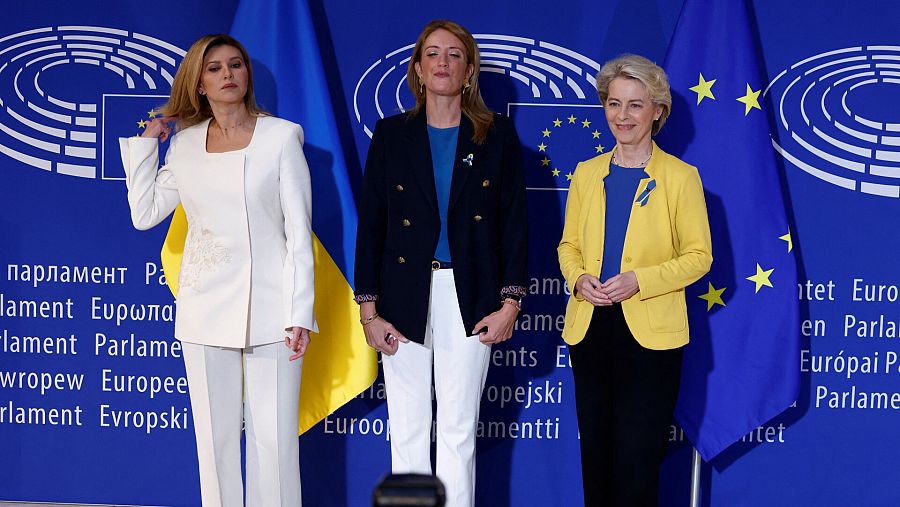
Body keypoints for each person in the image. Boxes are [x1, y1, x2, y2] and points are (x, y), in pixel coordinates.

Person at [119, 34, 316, 507]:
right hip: (204, 311)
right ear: (200, 83)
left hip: (273, 312)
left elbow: (298, 232)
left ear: (247, 76)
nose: (227, 75)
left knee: (275, 447)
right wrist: (149, 140)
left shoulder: (281, 137)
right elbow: (144, 213)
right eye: (214, 68)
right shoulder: (183, 146)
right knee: (216, 443)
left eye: (235, 65)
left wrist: (300, 311)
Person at [353, 19, 527, 507]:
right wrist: (369, 310)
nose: (443, 63)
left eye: (454, 54)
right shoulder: (391, 135)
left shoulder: (497, 136)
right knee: (406, 426)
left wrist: (510, 303)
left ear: (470, 69)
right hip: (402, 293)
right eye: (433, 54)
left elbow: (514, 224)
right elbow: (372, 226)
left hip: (471, 294)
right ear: (418, 69)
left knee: (457, 428)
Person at [557, 54, 712, 506]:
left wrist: (639, 281)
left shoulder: (682, 179)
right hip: (590, 328)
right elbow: (568, 247)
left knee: (637, 464)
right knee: (597, 462)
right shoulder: (587, 174)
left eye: (635, 105)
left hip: (652, 338)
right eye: (614, 104)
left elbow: (699, 257)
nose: (622, 116)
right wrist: (579, 278)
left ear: (657, 111)